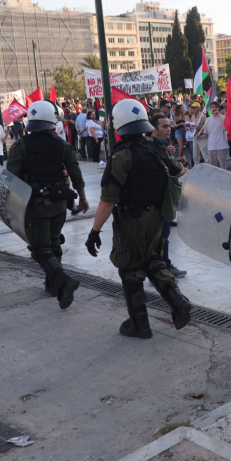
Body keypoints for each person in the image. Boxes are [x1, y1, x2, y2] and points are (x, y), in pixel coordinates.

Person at [85, 100, 192, 339]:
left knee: (130, 268)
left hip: (131, 221)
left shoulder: (121, 155)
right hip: (157, 219)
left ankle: (139, 323)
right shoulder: (157, 148)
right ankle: (179, 301)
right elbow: (177, 171)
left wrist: (94, 232)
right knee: (153, 260)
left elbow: (107, 200)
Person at [6, 101, 88, 307]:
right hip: (60, 202)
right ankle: (52, 285)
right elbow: (75, 172)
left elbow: (11, 178)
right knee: (54, 242)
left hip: (35, 204)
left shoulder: (20, 145)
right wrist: (83, 197)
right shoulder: (61, 144)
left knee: (40, 247)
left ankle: (63, 281)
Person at [150, 115, 187, 279]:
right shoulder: (151, 148)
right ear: (154, 129)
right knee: (161, 236)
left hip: (161, 200)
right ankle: (163, 267)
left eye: (169, 126)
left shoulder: (159, 146)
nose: (169, 129)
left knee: (163, 235)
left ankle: (163, 264)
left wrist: (173, 159)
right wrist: (181, 171)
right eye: (164, 126)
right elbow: (162, 175)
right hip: (158, 202)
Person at [204, 101, 231, 169]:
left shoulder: (224, 118)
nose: (214, 109)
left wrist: (219, 116)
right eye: (213, 107)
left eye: (216, 107)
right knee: (213, 170)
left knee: (225, 169)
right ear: (210, 108)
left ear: (219, 108)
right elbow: (206, 134)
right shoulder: (207, 119)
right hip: (211, 148)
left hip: (222, 147)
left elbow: (225, 128)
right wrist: (199, 137)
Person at [189, 102, 208, 166]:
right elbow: (192, 127)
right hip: (194, 137)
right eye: (192, 108)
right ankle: (196, 166)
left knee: (205, 154)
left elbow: (207, 127)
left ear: (198, 108)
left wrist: (200, 128)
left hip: (202, 137)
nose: (192, 109)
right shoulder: (192, 117)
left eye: (194, 108)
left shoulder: (203, 116)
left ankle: (209, 166)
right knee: (195, 154)